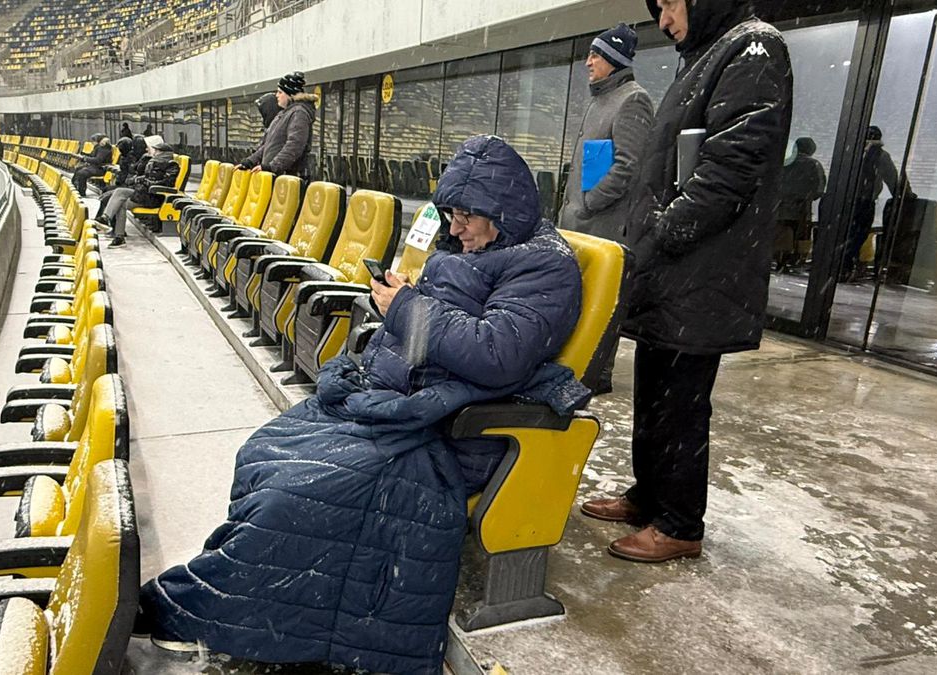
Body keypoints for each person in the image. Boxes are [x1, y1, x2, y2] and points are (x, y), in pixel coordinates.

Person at [136, 136, 588, 673]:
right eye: (450, 214)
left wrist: (406, 308)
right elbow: (436, 330)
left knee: (299, 495)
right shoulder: (473, 248)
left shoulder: (545, 269)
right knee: (269, 451)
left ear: (504, 211)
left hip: (451, 433)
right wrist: (401, 303)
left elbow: (497, 354)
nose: (456, 228)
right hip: (397, 403)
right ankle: (233, 584)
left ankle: (216, 611)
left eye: (468, 216)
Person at [581, 0, 793, 563]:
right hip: (671, 267)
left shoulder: (753, 48)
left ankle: (679, 522)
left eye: (670, 4)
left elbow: (729, 169)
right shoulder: (705, 55)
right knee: (655, 391)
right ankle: (648, 496)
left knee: (680, 400)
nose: (664, 20)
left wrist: (664, 231)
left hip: (701, 270)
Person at [557, 22, 655, 394]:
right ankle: (578, 363)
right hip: (580, 220)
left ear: (614, 59)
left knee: (602, 298)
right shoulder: (599, 99)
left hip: (605, 225)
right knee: (577, 296)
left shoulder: (632, 100)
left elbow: (629, 166)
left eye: (595, 55)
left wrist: (589, 203)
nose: (588, 62)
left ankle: (598, 373)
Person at [842, 125, 899, 281]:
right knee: (858, 235)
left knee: (844, 234)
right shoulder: (881, 156)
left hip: (845, 201)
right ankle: (847, 266)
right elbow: (892, 178)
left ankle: (839, 266)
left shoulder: (851, 151)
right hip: (865, 202)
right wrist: (903, 195)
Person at [98, 137, 179, 247]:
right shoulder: (152, 162)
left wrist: (146, 181)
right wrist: (138, 179)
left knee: (120, 199)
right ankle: (115, 231)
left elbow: (167, 182)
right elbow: (142, 174)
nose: (154, 152)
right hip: (142, 193)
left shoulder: (171, 165)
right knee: (119, 194)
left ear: (163, 153)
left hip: (153, 196)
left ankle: (112, 227)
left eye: (157, 150)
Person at [238, 72, 318, 179]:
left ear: (290, 94)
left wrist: (272, 166)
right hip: (279, 176)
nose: (276, 95)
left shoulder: (299, 113)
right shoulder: (284, 114)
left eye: (280, 92)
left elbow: (294, 146)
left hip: (289, 178)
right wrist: (249, 162)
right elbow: (269, 145)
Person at [774, 137, 825, 271]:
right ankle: (795, 259)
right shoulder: (814, 164)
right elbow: (819, 187)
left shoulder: (785, 162)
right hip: (802, 207)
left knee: (783, 232)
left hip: (781, 205)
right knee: (801, 234)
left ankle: (780, 259)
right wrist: (809, 197)